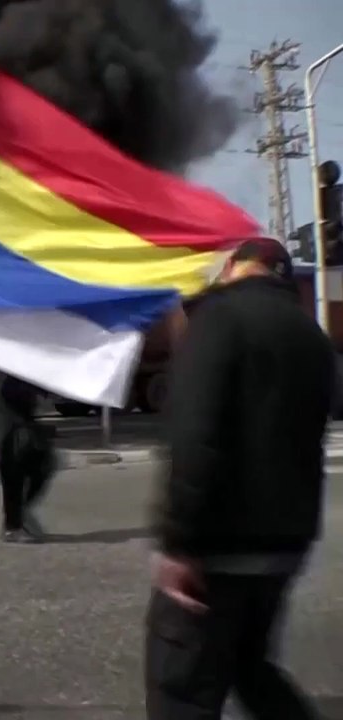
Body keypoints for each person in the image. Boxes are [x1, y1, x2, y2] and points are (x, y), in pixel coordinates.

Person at [145, 237, 333, 720]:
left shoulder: (219, 321)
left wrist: (179, 541)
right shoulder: (312, 335)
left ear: (232, 266)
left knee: (181, 689)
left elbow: (195, 435)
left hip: (218, 546)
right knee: (249, 667)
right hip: (285, 544)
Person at [0, 370, 55, 544]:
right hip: (7, 423)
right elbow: (10, 389)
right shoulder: (7, 364)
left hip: (18, 419)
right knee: (13, 470)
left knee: (41, 463)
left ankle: (18, 516)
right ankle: (12, 527)